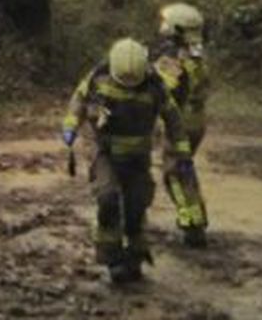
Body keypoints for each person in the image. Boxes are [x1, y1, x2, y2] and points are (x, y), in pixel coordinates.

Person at [62, 38, 192, 284]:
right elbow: (78, 101)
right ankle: (111, 258)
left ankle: (135, 257)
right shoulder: (98, 77)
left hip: (138, 158)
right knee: (107, 197)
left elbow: (174, 119)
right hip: (106, 154)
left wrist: (183, 153)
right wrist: (70, 125)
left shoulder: (155, 86)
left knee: (136, 205)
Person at [153, 3, 209, 247]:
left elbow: (162, 87)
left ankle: (192, 225)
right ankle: (196, 219)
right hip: (197, 119)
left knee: (174, 174)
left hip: (180, 123)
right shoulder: (198, 53)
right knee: (184, 170)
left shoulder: (175, 57)